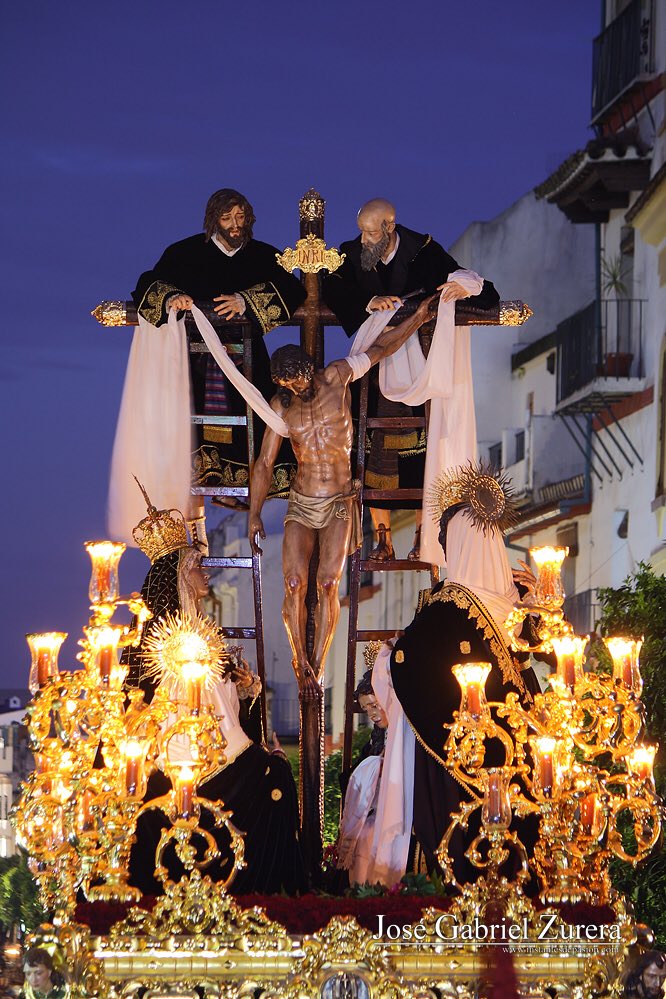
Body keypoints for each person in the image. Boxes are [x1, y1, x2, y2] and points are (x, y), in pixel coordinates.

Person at [248, 295, 435, 697]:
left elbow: (382, 348)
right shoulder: (281, 406)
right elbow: (264, 463)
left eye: (298, 380)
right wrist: (253, 514)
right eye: (287, 385)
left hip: (337, 501)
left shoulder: (337, 376)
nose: (295, 389)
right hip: (301, 501)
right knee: (296, 583)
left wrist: (418, 317)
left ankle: (317, 663)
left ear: (307, 369)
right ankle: (300, 663)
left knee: (329, 582)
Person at [126, 494, 306, 896]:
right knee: (274, 775)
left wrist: (248, 691)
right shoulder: (157, 643)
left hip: (222, 750)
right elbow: (144, 705)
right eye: (196, 567)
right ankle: (265, 893)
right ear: (177, 578)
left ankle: (266, 894)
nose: (205, 574)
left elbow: (224, 710)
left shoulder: (208, 635)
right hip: (183, 762)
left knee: (276, 772)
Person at [388, 461, 541, 883]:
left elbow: (405, 662)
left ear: (462, 543)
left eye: (445, 537)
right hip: (518, 763)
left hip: (467, 766)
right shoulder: (518, 607)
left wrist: (388, 657)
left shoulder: (449, 608)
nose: (442, 545)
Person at [323, 198, 499, 561]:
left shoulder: (424, 252)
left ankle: (424, 536)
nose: (364, 240)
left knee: (422, 448)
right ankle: (382, 539)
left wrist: (459, 288)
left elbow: (473, 284)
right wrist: (368, 301)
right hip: (373, 361)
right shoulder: (351, 252)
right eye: (361, 231)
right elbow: (329, 287)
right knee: (370, 448)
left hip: (419, 362)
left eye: (372, 232)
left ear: (390, 227)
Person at [131, 188, 307, 538]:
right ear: (214, 219)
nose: (234, 225)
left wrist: (246, 301)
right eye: (227, 218)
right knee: (194, 433)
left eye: (240, 217)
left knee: (257, 427)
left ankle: (245, 499)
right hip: (197, 362)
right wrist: (172, 298)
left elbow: (294, 289)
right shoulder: (185, 253)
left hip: (247, 362)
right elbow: (147, 284)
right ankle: (200, 519)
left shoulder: (262, 255)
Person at [336, 670, 388, 885]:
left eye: (375, 705)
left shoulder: (402, 737)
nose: (372, 714)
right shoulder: (377, 737)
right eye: (367, 709)